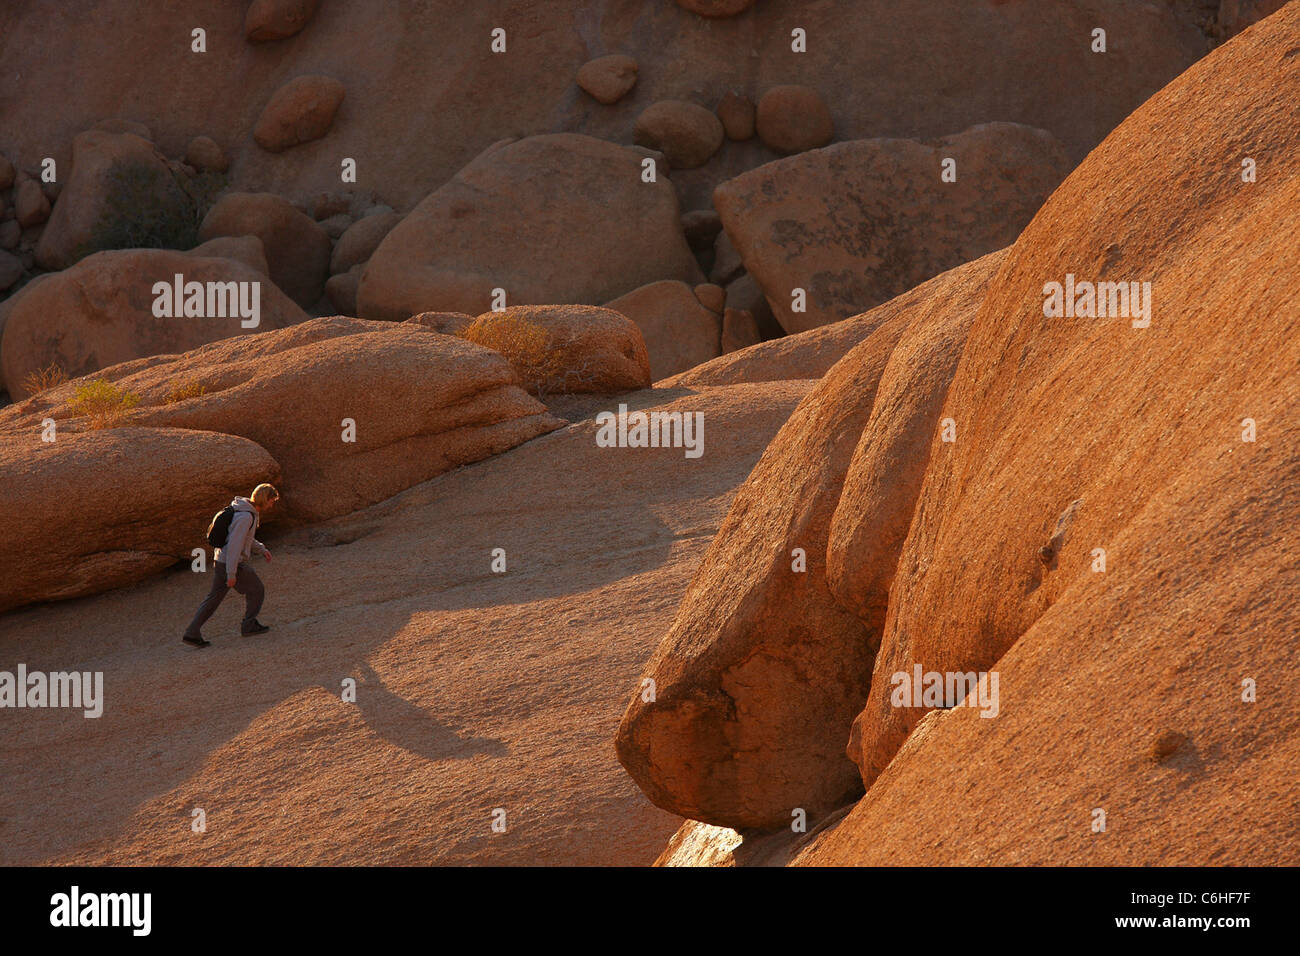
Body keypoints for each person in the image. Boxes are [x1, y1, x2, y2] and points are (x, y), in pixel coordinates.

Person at [182, 483, 279, 648]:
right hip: (231, 563)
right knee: (257, 589)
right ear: (265, 499)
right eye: (272, 501)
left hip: (221, 560)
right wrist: (232, 574)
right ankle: (249, 625)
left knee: (213, 598)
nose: (272, 505)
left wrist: (261, 549)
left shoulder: (244, 511)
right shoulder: (246, 517)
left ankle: (192, 633)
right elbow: (235, 545)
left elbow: (244, 539)